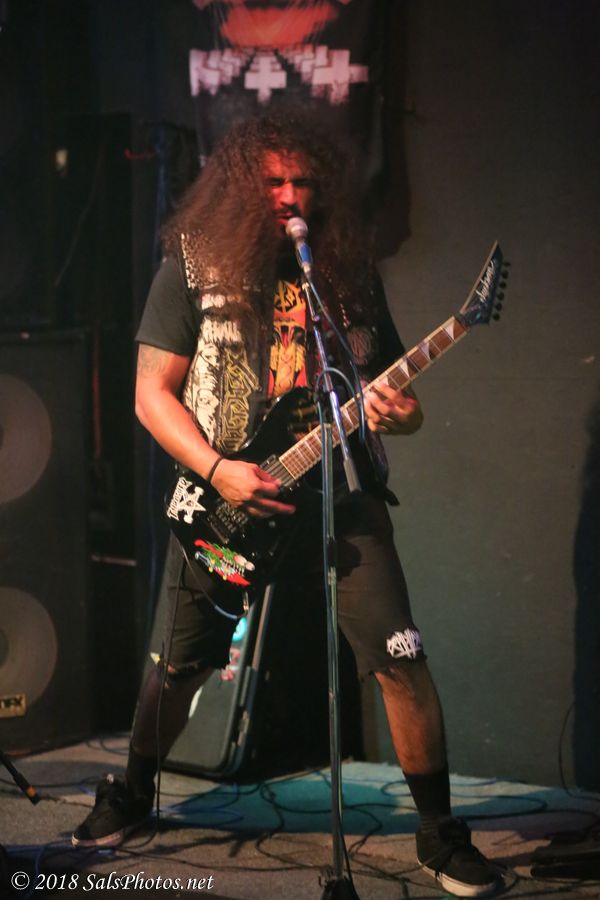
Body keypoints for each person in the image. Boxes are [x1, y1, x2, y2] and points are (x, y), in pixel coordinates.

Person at [72, 113, 500, 898]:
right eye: (272, 182)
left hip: (342, 494)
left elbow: (396, 397)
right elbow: (149, 395)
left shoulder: (345, 271)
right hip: (227, 499)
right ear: (239, 187)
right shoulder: (191, 264)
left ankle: (440, 834)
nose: (290, 195)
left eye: (302, 181)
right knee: (179, 667)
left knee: (401, 656)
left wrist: (401, 413)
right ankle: (132, 790)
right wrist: (218, 469)